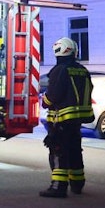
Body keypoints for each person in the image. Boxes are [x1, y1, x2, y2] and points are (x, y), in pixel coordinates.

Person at [40, 37, 94, 198]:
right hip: (76, 120)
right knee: (75, 150)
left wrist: (45, 101)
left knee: (58, 151)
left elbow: (54, 95)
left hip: (61, 119)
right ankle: (77, 183)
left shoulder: (59, 70)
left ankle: (58, 186)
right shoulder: (82, 70)